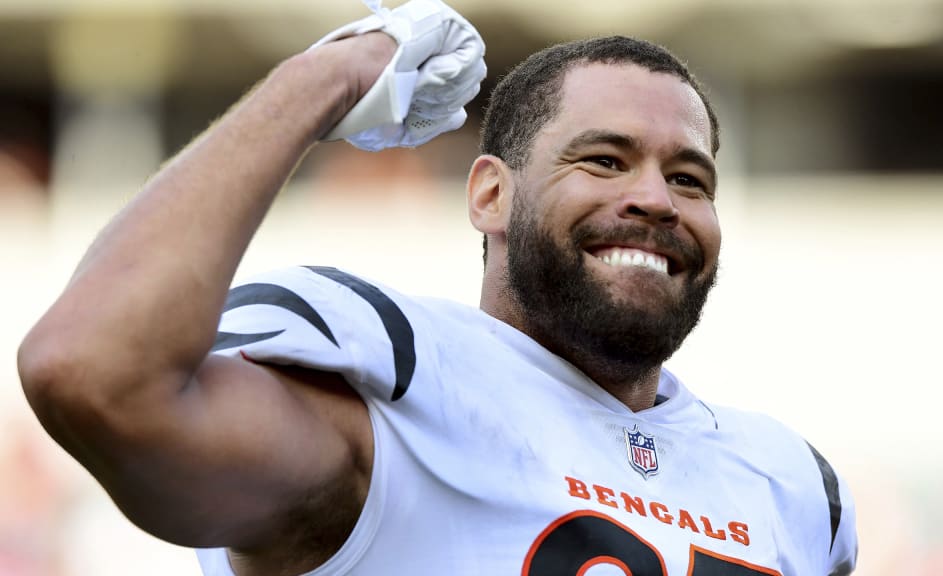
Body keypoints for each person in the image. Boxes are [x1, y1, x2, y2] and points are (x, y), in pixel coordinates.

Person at [17, 0, 858, 574]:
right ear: (490, 194)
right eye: (604, 160)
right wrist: (331, 76)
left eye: (690, 179)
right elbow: (91, 371)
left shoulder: (788, 484)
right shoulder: (397, 398)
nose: (653, 198)